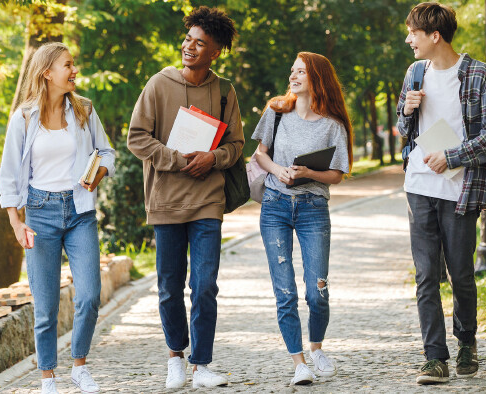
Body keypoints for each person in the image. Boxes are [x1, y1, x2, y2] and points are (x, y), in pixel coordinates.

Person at [126, 6, 242, 390]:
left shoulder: (225, 91)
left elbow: (237, 145)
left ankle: (201, 365)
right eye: (188, 39)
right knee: (169, 286)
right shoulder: (158, 84)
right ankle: (175, 355)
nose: (189, 47)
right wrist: (176, 160)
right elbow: (137, 138)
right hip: (166, 201)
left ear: (215, 51)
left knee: (205, 284)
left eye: (200, 43)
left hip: (208, 201)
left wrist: (214, 157)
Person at [396, 2, 486, 385]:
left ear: (434, 35)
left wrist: (452, 156)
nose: (409, 39)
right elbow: (402, 128)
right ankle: (434, 357)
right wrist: (406, 112)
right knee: (426, 275)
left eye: (413, 33)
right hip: (419, 187)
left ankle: (467, 343)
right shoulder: (415, 72)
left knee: (460, 273)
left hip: (461, 189)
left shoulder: (479, 75)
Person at [0, 42, 115, 394]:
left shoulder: (84, 109)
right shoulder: (23, 118)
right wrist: (16, 222)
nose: (74, 70)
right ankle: (48, 376)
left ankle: (79, 366)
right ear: (47, 72)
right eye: (68, 65)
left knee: (90, 295)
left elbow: (107, 150)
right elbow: (8, 174)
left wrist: (99, 173)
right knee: (46, 304)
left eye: (74, 64)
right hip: (39, 214)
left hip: (79, 211)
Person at [251, 52, 353, 386]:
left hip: (313, 208)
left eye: (301, 71)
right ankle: (299, 362)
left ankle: (317, 348)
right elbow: (259, 155)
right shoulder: (276, 112)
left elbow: (337, 174)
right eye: (292, 70)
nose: (293, 76)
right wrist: (279, 170)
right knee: (285, 291)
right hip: (275, 206)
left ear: (317, 78)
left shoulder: (333, 125)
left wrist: (308, 171)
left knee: (317, 290)